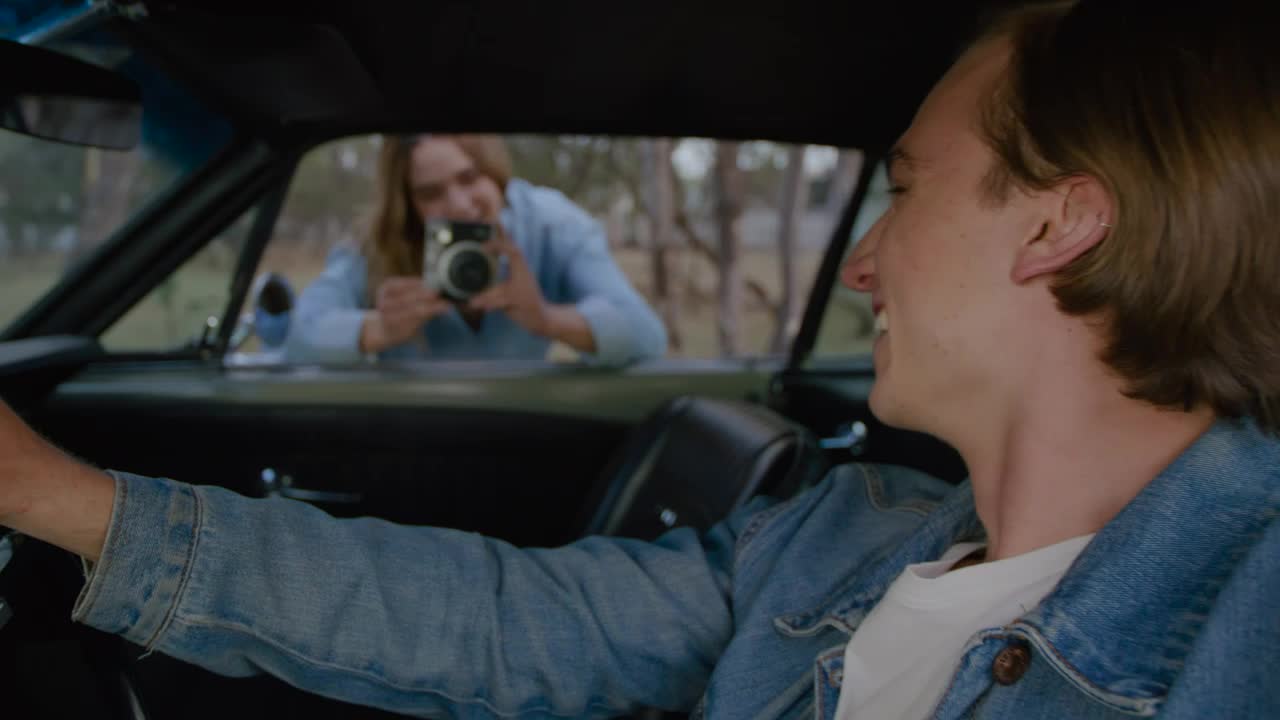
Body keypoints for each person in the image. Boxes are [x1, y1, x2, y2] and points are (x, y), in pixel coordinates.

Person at [2, 1, 1278, 717]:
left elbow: (618, 336)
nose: (859, 262)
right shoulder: (828, 542)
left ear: (1058, 223)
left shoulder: (1249, 615)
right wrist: (45, 495)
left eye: (901, 190)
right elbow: (493, 622)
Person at [284, 134, 668, 367]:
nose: (459, 205)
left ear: (495, 170)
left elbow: (647, 336)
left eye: (470, 177)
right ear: (407, 205)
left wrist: (547, 318)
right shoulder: (382, 243)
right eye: (430, 193)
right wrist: (377, 329)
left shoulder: (552, 225)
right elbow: (300, 335)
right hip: (408, 435)